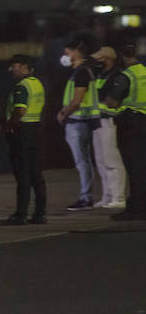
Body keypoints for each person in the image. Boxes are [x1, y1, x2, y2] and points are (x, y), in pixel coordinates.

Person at [98, 42, 146, 220]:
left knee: (134, 168)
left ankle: (135, 209)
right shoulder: (144, 72)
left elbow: (112, 101)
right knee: (143, 167)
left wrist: (105, 102)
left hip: (131, 124)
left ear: (122, 56)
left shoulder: (126, 76)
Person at [0, 54, 47, 225]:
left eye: (15, 65)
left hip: (22, 132)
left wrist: (8, 126)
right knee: (36, 174)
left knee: (23, 175)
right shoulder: (37, 84)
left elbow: (20, 111)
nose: (11, 69)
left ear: (25, 66)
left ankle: (21, 214)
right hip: (37, 130)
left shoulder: (21, 87)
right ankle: (40, 213)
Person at [56, 36, 100, 210]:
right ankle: (86, 196)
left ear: (76, 52)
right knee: (85, 160)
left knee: (82, 161)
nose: (65, 55)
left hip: (78, 121)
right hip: (83, 121)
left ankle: (85, 198)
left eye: (67, 51)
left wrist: (63, 114)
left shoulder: (82, 72)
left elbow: (77, 100)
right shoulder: (83, 70)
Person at [88, 44, 128, 211]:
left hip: (110, 121)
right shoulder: (100, 74)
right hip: (98, 121)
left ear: (108, 58)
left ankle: (118, 197)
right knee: (101, 161)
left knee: (112, 160)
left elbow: (113, 100)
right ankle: (107, 196)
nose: (98, 61)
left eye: (101, 58)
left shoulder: (117, 75)